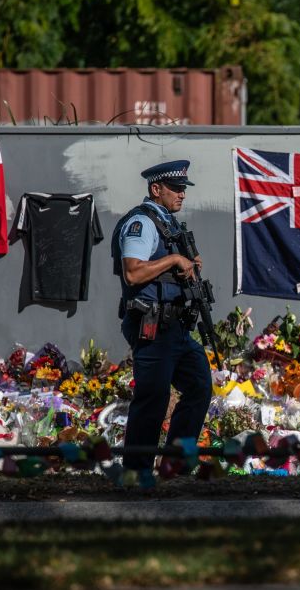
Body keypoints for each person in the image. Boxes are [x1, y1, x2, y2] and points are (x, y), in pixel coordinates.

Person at [112, 159, 212, 474]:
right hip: (153, 327)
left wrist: (189, 265)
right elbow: (133, 273)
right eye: (176, 188)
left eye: (184, 189)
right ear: (156, 189)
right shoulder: (142, 223)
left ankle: (174, 465)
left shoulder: (167, 223)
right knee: (152, 399)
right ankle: (136, 472)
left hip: (176, 329)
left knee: (199, 385)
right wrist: (173, 259)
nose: (182, 194)